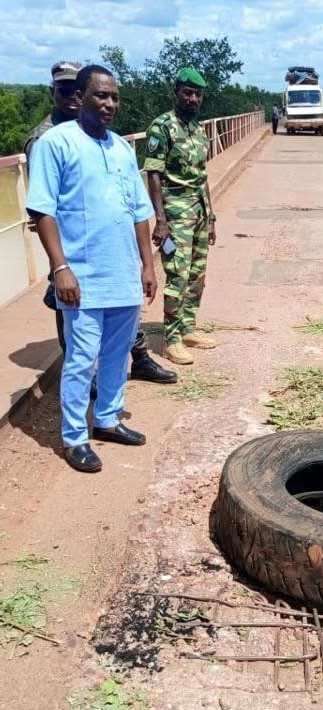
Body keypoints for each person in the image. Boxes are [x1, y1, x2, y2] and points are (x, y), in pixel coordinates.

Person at [26, 65, 157, 473]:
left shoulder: (121, 147)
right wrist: (60, 267)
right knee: (82, 358)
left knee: (117, 354)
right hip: (81, 276)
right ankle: (74, 437)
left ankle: (107, 419)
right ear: (80, 96)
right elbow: (42, 208)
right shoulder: (56, 143)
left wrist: (147, 265)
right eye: (100, 95)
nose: (109, 104)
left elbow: (139, 211)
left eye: (114, 97)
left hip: (122, 272)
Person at [24, 62, 177, 386]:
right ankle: (83, 379)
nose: (70, 97)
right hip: (71, 245)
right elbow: (42, 206)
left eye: (74, 90)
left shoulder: (105, 137)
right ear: (55, 92)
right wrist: (60, 263)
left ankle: (139, 358)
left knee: (124, 306)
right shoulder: (46, 138)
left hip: (109, 243)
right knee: (69, 308)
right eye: (63, 90)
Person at [144, 67, 217, 365]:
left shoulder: (198, 130)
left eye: (197, 94)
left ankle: (187, 327)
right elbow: (153, 173)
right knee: (177, 274)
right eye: (187, 92)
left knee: (197, 275)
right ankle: (171, 339)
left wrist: (211, 217)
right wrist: (160, 220)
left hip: (199, 212)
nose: (192, 98)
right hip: (175, 215)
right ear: (176, 92)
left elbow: (202, 176)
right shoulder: (162, 127)